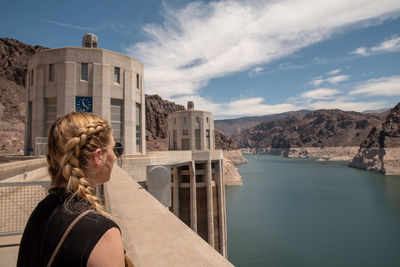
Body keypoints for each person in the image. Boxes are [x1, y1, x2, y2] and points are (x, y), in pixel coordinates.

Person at [17, 112, 125, 267]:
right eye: (114, 150)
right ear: (98, 156)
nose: (115, 157)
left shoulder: (40, 211)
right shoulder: (102, 233)